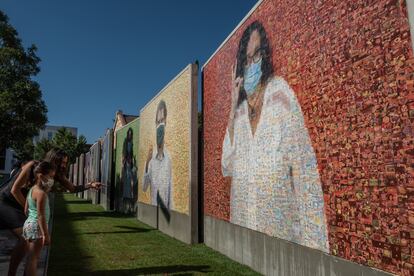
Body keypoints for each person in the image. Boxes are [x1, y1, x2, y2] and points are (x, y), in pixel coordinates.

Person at [221, 20, 329, 251]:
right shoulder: (239, 113)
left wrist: (316, 250)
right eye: (247, 59)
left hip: (284, 243)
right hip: (242, 236)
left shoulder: (280, 95)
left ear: (266, 55)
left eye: (257, 55)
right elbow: (226, 166)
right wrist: (231, 106)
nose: (252, 64)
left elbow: (305, 175)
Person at [0, 148, 101, 275]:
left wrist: (90, 185)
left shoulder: (54, 174)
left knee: (27, 243)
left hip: (25, 205)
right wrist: (31, 210)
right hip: (6, 202)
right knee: (26, 241)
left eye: (65, 163)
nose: (64, 165)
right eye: (62, 162)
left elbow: (72, 188)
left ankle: (13, 273)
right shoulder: (32, 166)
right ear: (54, 159)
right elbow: (15, 190)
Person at [22, 161, 55, 276]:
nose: (52, 180)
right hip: (37, 227)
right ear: (41, 176)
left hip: (28, 225)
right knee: (34, 259)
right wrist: (45, 234)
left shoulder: (32, 190)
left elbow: (26, 209)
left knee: (31, 257)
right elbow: (41, 215)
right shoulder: (41, 193)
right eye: (50, 176)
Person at [143, 100, 173, 210]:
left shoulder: (169, 159)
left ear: (166, 122)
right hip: (154, 210)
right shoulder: (151, 159)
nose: (160, 125)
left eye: (162, 121)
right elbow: (144, 187)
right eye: (158, 121)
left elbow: (171, 197)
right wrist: (147, 162)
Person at [121, 128, 137, 199]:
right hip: (126, 161)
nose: (130, 135)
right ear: (127, 134)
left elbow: (131, 152)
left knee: (129, 177)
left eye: (131, 134)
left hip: (130, 161)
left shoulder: (131, 142)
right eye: (129, 134)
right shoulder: (125, 141)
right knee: (127, 177)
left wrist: (132, 159)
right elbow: (125, 152)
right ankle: (126, 195)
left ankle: (129, 195)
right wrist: (126, 159)